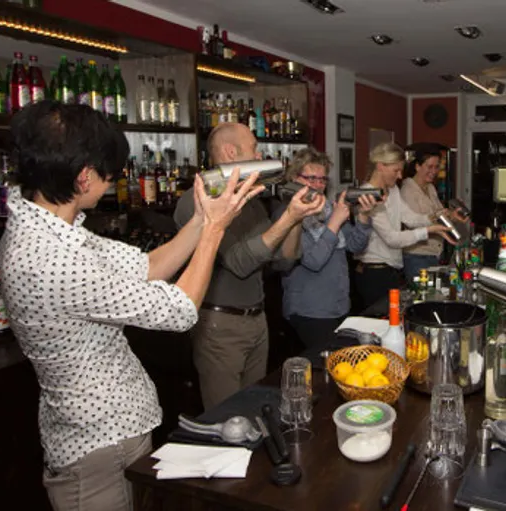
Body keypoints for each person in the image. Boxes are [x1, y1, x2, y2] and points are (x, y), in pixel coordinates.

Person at [0, 101, 264, 510]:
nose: (113, 182)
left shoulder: (50, 229)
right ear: (84, 177)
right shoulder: (50, 259)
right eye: (110, 174)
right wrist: (215, 230)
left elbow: (149, 266)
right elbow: (180, 309)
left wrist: (201, 218)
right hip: (96, 444)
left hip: (115, 430)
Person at [173, 123, 325, 410]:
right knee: (225, 415)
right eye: (254, 148)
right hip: (220, 326)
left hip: (257, 319)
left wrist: (295, 218)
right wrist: (287, 218)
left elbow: (285, 259)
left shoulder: (251, 201)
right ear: (231, 152)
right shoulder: (200, 200)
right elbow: (239, 262)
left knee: (253, 407)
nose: (259, 155)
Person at [273, 148, 379, 349]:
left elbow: (355, 246)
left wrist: (364, 216)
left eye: (322, 180)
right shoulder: (286, 214)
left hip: (338, 304)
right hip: (309, 310)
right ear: (294, 178)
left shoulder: (328, 208)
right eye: (311, 178)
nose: (318, 185)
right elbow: (313, 261)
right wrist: (335, 223)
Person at [353, 142, 454, 309]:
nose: (400, 176)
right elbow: (392, 238)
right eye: (396, 170)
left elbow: (410, 218)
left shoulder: (392, 190)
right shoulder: (367, 195)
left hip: (392, 270)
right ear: (381, 166)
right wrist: (428, 230)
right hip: (374, 273)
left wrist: (436, 218)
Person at [400, 148, 447, 281]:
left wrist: (451, 215)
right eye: (430, 166)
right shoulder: (408, 189)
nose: (434, 171)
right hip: (417, 256)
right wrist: (437, 217)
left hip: (434, 254)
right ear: (417, 166)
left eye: (436, 167)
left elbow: (440, 214)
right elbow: (413, 223)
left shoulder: (430, 187)